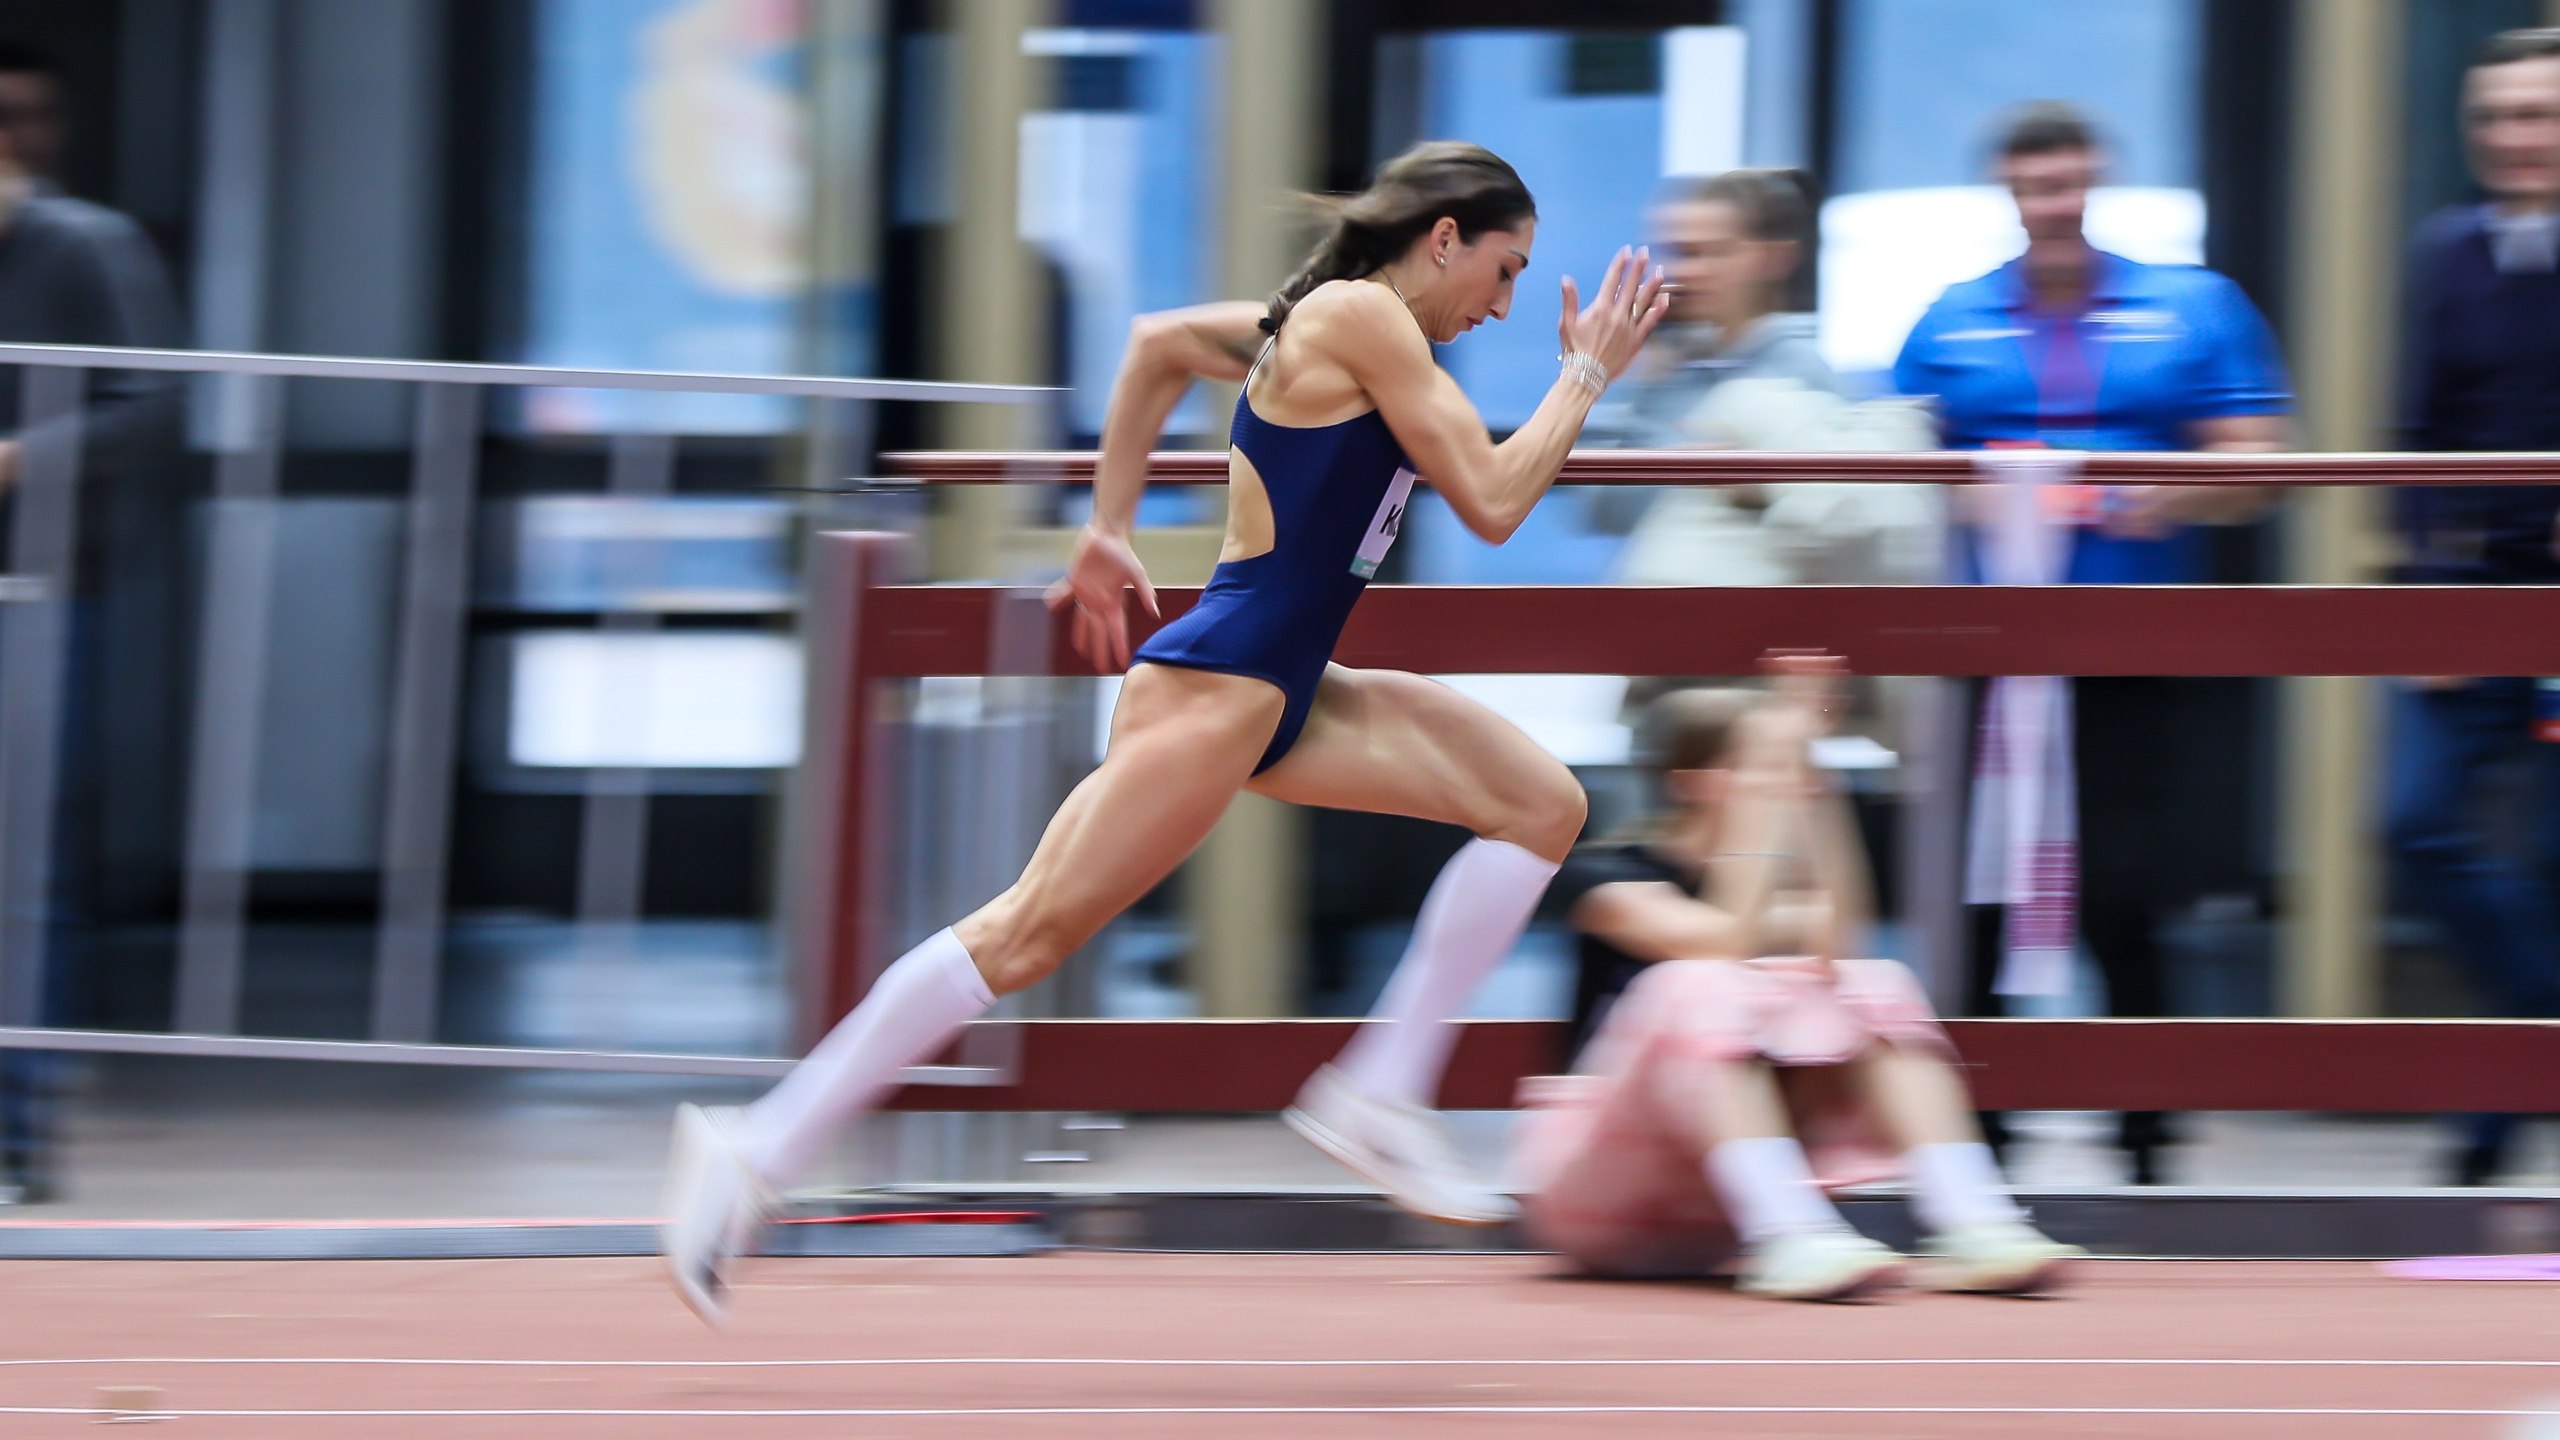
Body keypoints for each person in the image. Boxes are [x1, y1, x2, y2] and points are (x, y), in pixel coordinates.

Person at [660, 141, 1670, 1322]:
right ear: (1441, 237)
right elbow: (1494, 504)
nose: (1502, 305)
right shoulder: (1363, 314)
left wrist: (1107, 528)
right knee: (1027, 934)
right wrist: (1583, 375)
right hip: (1223, 684)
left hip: (1286, 685)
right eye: (1502, 271)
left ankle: (1384, 1090)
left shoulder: (1320, 322)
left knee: (1543, 804)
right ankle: (758, 1148)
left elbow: (1151, 347)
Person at [1892, 101, 2289, 1185]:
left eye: (2069, 182)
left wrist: (2176, 494)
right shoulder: (1952, 316)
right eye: (2033, 184)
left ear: (2096, 183)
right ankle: (1974, 1139)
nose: (2053, 202)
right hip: (1985, 653)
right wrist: (1952, 501)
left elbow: (2262, 458)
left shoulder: (2193, 305)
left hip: (2136, 655)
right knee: (1974, 893)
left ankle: (2148, 1135)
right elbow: (1885, 465)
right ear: (2008, 193)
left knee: (2125, 889)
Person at [1518, 656, 2077, 1300]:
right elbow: (1721, 940)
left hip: (1718, 1209)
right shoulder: (1606, 877)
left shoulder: (1776, 881)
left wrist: (1819, 790)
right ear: (1696, 780)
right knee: (1695, 983)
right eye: (1757, 767)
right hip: (1595, 1196)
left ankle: (1975, 1221)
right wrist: (1762, 797)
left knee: (1873, 981)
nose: (1780, 783)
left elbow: (1843, 948)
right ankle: (1789, 1233)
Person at [0, 41, 183, 1205]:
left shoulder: (80, 243)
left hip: (42, 587)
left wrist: (23, 460)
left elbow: (151, 399)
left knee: (28, 872)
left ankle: (21, 1123)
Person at [2389, 27, 2560, 1187]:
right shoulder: (2445, 250)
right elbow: (2415, 436)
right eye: (2493, 118)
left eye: (2535, 116)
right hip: (2473, 600)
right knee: (2411, 823)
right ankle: (2534, 1048)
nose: (2512, 138)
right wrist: (2424, 598)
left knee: (2550, 857)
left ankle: (2497, 1119)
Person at [1588, 168, 1937, 589]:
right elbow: (1605, 507)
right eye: (1678, 252)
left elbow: (1840, 531)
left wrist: (1753, 484)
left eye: (1709, 253)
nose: (1687, 271)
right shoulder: (1669, 374)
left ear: (1773, 258)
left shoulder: (1806, 378)